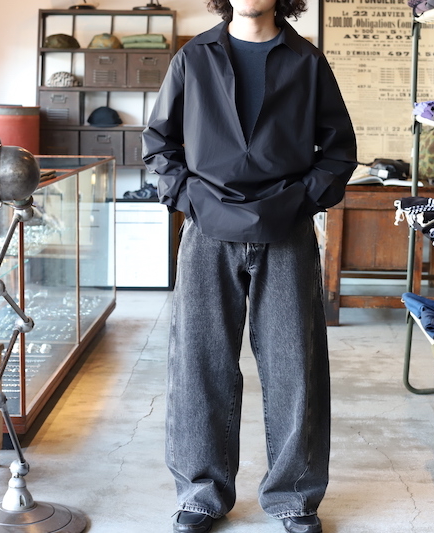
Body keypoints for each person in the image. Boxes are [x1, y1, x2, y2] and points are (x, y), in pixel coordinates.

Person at [142, 0, 357, 531]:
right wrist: (190, 200)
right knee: (199, 364)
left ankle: (294, 497)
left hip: (286, 231)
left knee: (295, 367)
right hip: (207, 230)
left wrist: (299, 201)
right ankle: (201, 493)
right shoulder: (194, 57)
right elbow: (158, 143)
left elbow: (339, 151)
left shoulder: (307, 61)